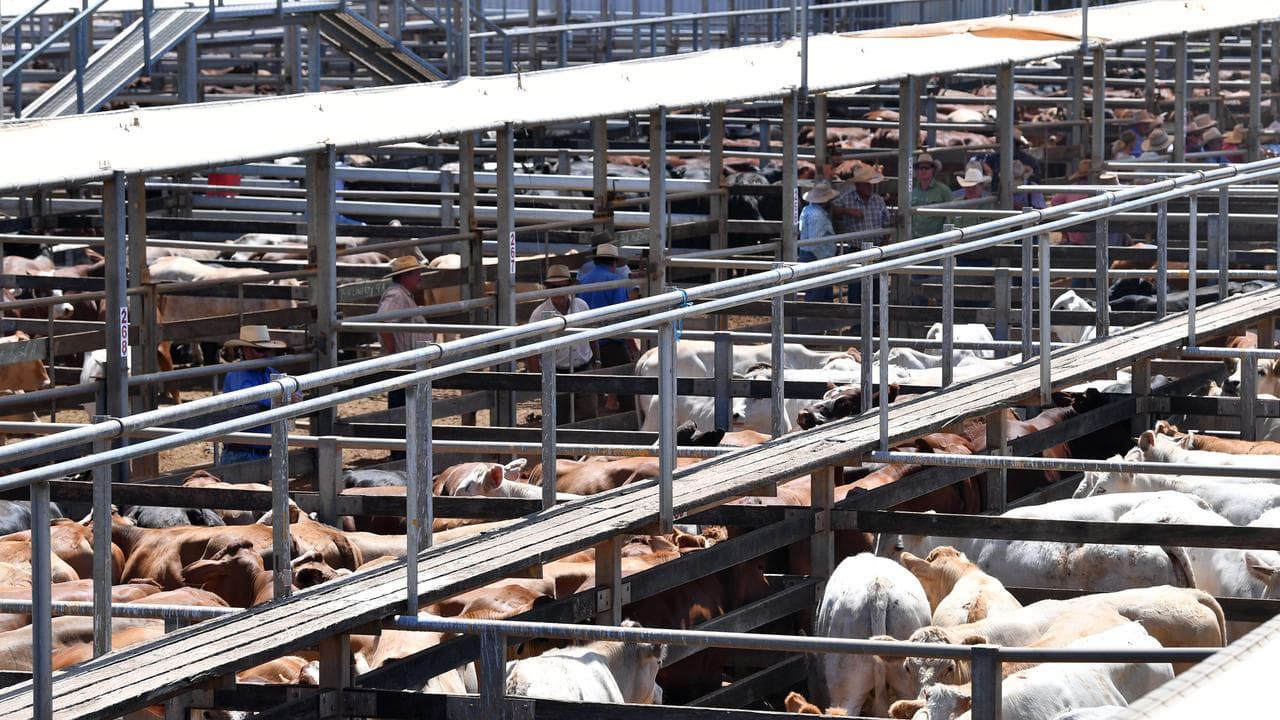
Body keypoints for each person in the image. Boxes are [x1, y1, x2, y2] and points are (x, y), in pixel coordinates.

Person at [525, 264, 599, 424]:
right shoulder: (539, 313)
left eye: (562, 287)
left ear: (569, 287)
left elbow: (592, 335)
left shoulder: (581, 306)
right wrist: (538, 377)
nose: (558, 291)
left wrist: (596, 361)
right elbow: (531, 348)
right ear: (548, 289)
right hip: (556, 373)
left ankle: (580, 446)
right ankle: (561, 448)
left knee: (589, 413)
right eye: (553, 287)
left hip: (583, 369)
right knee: (559, 418)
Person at [218, 325, 300, 465]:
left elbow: (291, 387)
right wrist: (283, 398)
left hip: (260, 451)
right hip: (241, 453)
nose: (265, 354)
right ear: (246, 350)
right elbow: (250, 398)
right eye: (261, 350)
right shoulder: (237, 373)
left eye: (267, 350)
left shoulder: (269, 371)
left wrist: (294, 393)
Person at [577, 242, 640, 412]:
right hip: (610, 341)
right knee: (625, 381)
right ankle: (628, 419)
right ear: (613, 264)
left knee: (591, 383)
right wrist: (633, 347)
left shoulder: (582, 281)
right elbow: (621, 317)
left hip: (586, 341)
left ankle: (598, 413)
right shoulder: (615, 281)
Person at [377, 256, 432, 410]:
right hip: (403, 363)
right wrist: (393, 351)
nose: (419, 277)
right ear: (405, 276)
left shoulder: (402, 294)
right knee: (402, 405)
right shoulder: (396, 295)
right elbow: (382, 322)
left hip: (408, 362)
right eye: (416, 273)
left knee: (407, 404)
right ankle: (397, 433)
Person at [831, 163, 889, 303]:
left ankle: (874, 320)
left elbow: (887, 224)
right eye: (866, 184)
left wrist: (884, 244)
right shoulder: (847, 198)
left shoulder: (878, 200)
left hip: (876, 248)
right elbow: (832, 208)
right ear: (858, 185)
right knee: (856, 286)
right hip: (856, 249)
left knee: (875, 286)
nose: (870, 187)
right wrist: (848, 211)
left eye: (870, 184)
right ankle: (856, 320)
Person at [797, 180, 840, 303]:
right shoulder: (817, 216)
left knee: (818, 290)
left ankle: (816, 319)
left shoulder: (808, 209)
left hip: (812, 254)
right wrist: (824, 258)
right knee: (817, 293)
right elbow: (815, 241)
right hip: (817, 256)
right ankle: (814, 320)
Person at [910, 153, 953, 239]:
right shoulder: (912, 191)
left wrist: (944, 237)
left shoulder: (944, 191)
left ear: (933, 170)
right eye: (920, 168)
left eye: (927, 168)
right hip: (915, 238)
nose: (923, 170)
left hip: (936, 239)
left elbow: (951, 216)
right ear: (917, 171)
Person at [950, 162, 994, 229]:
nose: (970, 189)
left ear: (981, 186)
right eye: (967, 186)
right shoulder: (955, 204)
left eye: (974, 187)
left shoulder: (990, 204)